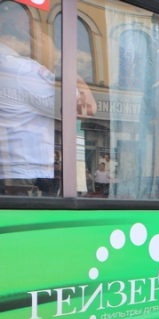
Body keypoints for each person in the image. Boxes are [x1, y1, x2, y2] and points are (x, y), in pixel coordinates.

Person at [0, 15, 95, 196]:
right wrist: (68, 69)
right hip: (27, 174)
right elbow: (87, 107)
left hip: (11, 173)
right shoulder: (23, 70)